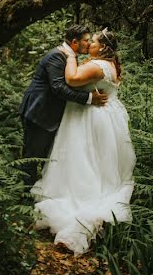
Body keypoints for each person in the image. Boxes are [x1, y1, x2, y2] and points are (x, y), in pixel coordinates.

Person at [31, 28, 136, 255]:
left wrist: (71, 56)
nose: (89, 45)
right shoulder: (111, 65)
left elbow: (71, 79)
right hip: (107, 118)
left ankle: (81, 206)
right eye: (88, 42)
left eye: (94, 42)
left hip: (87, 119)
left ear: (103, 47)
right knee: (97, 162)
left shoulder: (96, 65)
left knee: (81, 159)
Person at [19, 24, 109, 188]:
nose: (89, 44)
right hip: (39, 112)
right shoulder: (56, 56)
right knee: (32, 156)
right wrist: (89, 98)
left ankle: (39, 190)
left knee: (46, 155)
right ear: (75, 42)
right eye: (86, 41)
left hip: (50, 114)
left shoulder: (69, 56)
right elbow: (58, 88)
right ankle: (24, 195)